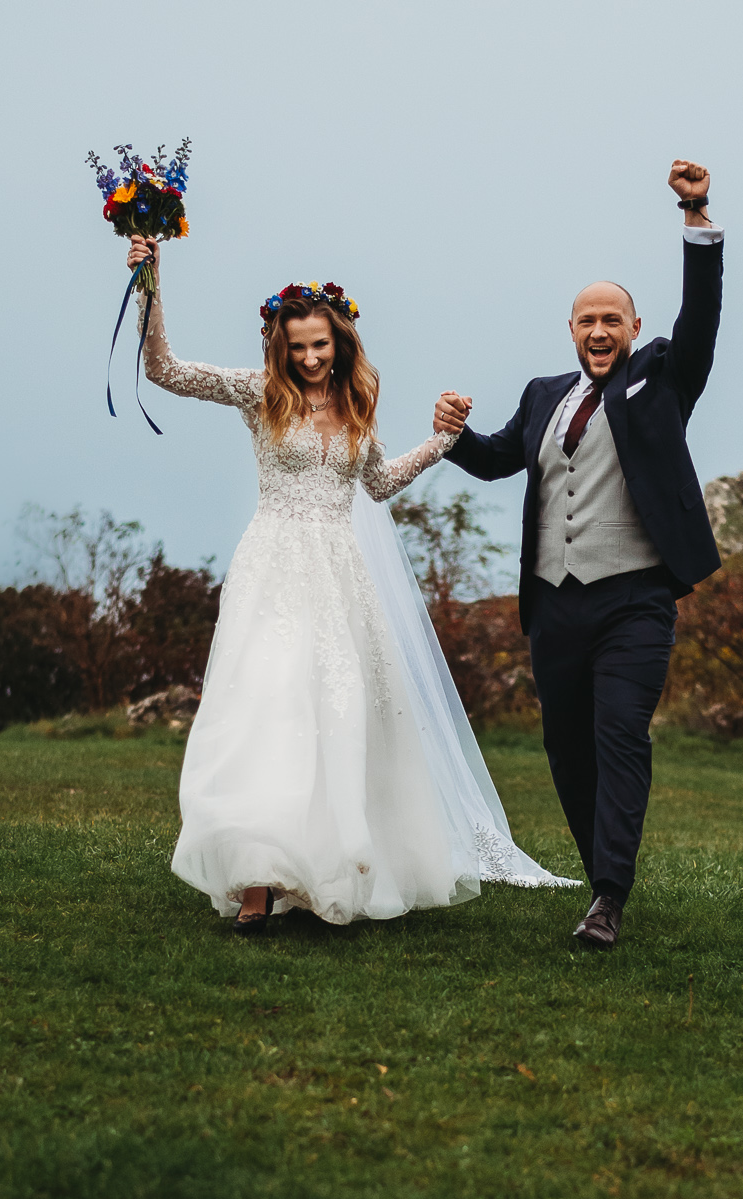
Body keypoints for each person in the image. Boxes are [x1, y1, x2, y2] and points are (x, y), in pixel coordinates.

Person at [128, 234, 574, 931]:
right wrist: (149, 283)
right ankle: (257, 881)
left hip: (340, 573)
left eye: (320, 346)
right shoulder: (257, 393)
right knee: (269, 709)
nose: (309, 358)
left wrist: (441, 441)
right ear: (279, 346)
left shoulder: (357, 403)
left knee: (336, 714)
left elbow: (379, 483)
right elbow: (163, 370)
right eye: (297, 347)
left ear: (340, 342)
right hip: (273, 568)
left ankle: (326, 865)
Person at [432, 160, 723, 951]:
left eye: (611, 320)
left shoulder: (662, 377)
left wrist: (696, 217)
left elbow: (700, 318)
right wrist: (452, 435)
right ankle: (601, 876)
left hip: (634, 600)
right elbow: (497, 459)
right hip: (553, 604)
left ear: (632, 327)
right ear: (570, 330)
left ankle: (608, 898)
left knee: (619, 734)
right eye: (586, 320)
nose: (599, 331)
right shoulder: (541, 394)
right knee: (566, 747)